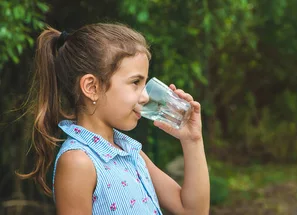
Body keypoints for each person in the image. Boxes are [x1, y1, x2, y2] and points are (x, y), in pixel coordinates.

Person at [16, 23, 210, 215]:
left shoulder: (130, 152)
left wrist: (192, 140)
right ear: (92, 88)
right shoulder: (78, 161)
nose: (145, 97)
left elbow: (193, 210)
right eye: (136, 82)